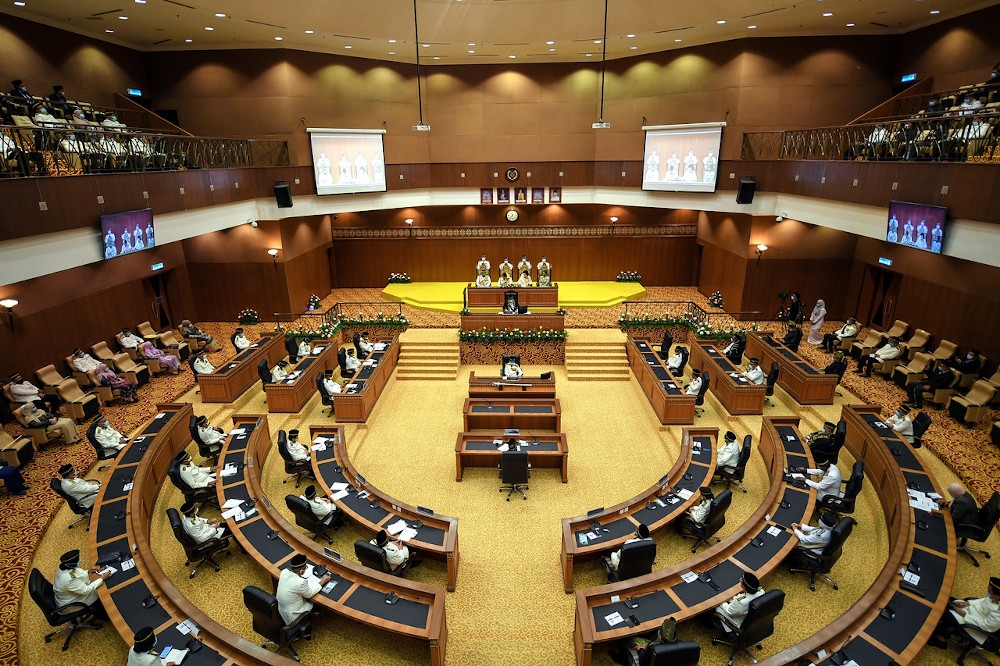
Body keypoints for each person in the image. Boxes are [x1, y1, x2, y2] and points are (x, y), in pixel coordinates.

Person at [928, 577, 1000, 649]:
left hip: (977, 626)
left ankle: (941, 640)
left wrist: (964, 615)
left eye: (989, 591)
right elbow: (983, 601)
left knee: (946, 615)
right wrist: (967, 603)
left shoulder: (998, 612)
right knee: (949, 600)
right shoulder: (995, 598)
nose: (987, 592)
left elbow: (986, 626)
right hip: (974, 612)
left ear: (996, 597)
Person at [53, 549, 110, 620]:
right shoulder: (69, 579)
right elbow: (85, 591)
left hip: (70, 595)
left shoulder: (65, 568)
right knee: (101, 591)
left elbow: (76, 574)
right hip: (71, 604)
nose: (79, 562)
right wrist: (102, 578)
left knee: (96, 584)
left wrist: (88, 572)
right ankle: (106, 616)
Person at [277, 553, 330, 625]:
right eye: (306, 568)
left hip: (282, 610)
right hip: (293, 616)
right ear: (301, 571)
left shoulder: (284, 572)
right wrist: (322, 581)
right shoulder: (300, 582)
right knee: (317, 604)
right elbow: (309, 594)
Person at [610, 617, 680, 666]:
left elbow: (642, 661)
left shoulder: (652, 649)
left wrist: (641, 649)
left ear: (660, 637)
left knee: (628, 640)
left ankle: (621, 658)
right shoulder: (681, 645)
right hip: (667, 658)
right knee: (652, 633)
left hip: (648, 657)